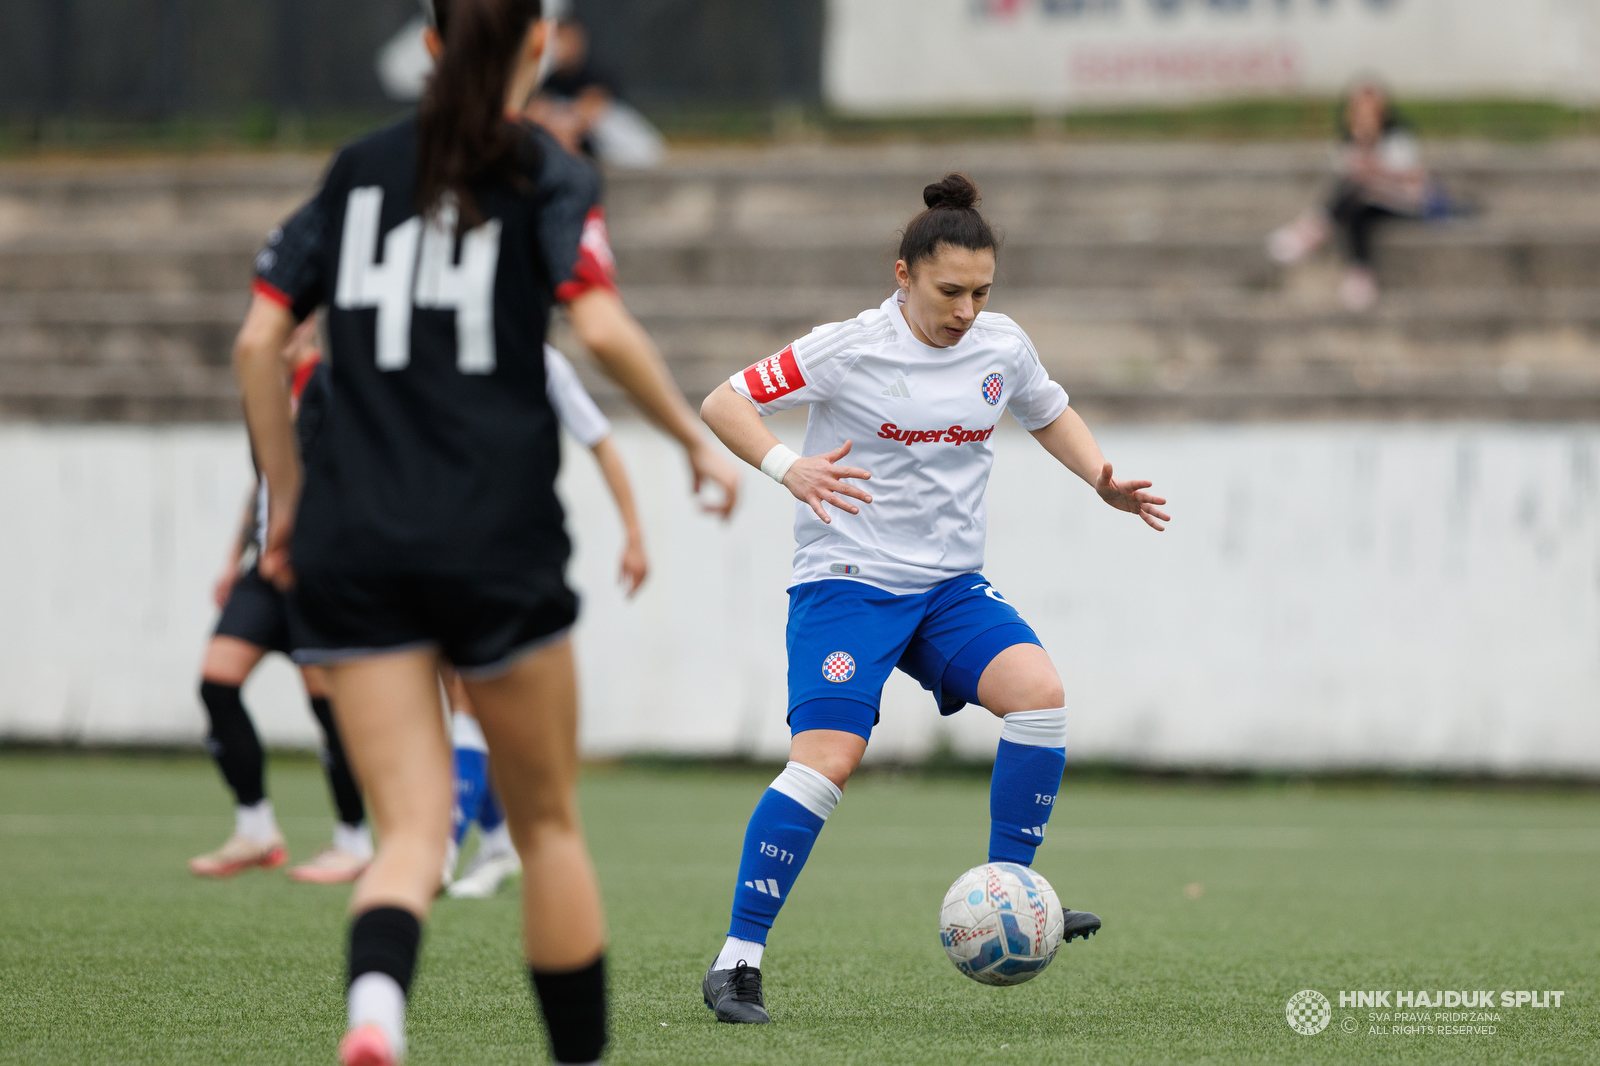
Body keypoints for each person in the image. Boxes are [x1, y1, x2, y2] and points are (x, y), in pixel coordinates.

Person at [231, 1, 739, 1063]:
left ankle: (377, 1014)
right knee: (546, 824)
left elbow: (259, 339)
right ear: (541, 46)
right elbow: (595, 320)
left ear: (427, 45)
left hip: (352, 543)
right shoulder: (546, 170)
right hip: (494, 540)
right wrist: (693, 441)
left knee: (412, 830)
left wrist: (284, 502)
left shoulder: (358, 168)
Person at [696, 173, 1169, 1024]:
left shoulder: (1001, 345)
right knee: (829, 760)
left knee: (1040, 699)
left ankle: (1013, 897)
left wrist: (1101, 478)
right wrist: (786, 467)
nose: (966, 309)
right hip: (848, 582)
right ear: (903, 274)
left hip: (948, 587)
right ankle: (738, 959)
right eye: (950, 290)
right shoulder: (847, 347)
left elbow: (1048, 411)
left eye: (982, 292)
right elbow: (722, 401)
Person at [446, 343, 648, 901]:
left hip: (509, 549)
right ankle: (493, 843)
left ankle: (440, 846)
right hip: (435, 543)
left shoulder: (538, 361)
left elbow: (601, 441)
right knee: (458, 692)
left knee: (470, 693)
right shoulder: (432, 346)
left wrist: (633, 533)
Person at [190, 318, 373, 885]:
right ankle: (256, 827)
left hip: (315, 570)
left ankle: (354, 839)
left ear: (308, 331)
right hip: (265, 571)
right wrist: (236, 554)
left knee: (327, 705)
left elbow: (342, 480)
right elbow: (266, 481)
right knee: (217, 682)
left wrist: (300, 550)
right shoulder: (268, 393)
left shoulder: (329, 387)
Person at [1267, 81, 1433, 311]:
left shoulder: (1398, 140)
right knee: (1355, 204)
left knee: (1354, 197)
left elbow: (1410, 179)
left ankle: (1316, 227)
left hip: (1403, 203)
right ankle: (1353, 265)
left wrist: (1371, 157)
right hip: (1366, 203)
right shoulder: (1347, 142)